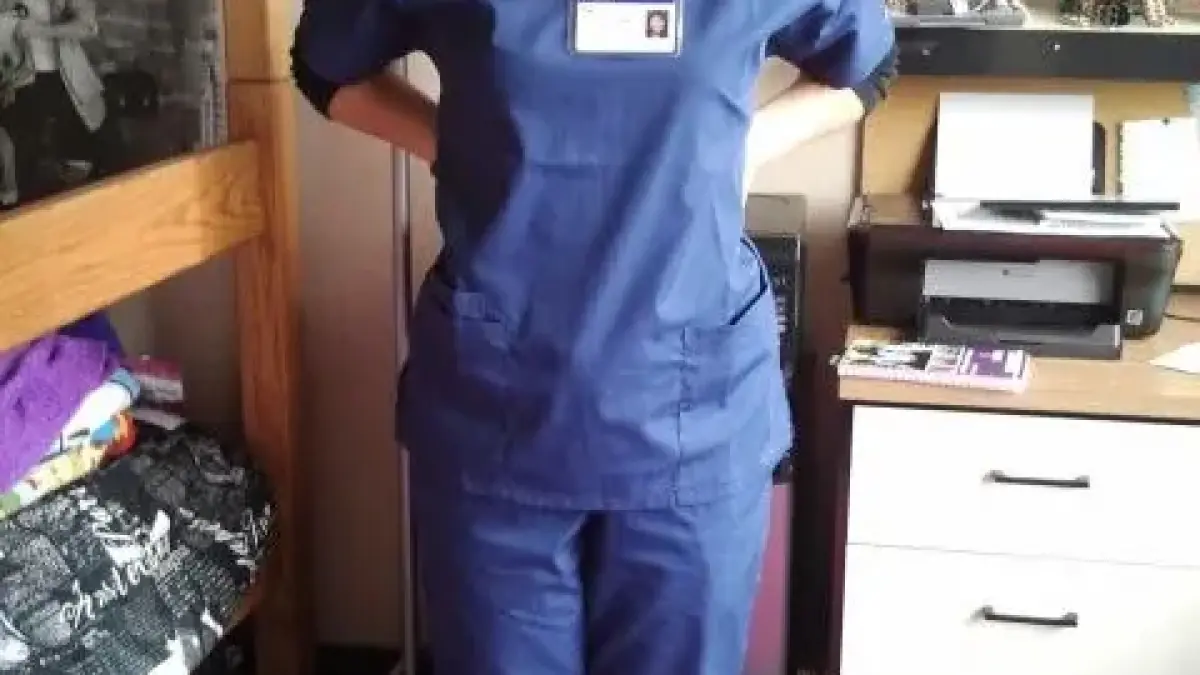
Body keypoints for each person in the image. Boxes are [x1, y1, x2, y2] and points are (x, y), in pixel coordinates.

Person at [292, 0, 896, 672]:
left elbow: (867, 65)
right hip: (498, 413)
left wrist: (744, 146)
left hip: (691, 413)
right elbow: (327, 67)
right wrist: (454, 145)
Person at [9, 0, 106, 189]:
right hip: (14, 82)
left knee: (78, 169)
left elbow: (87, 27)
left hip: (64, 82)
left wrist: (39, 31)